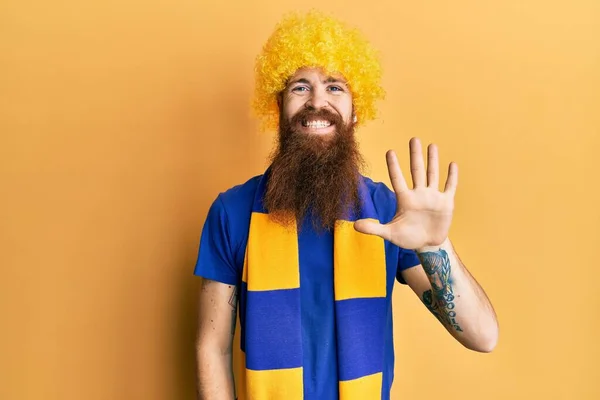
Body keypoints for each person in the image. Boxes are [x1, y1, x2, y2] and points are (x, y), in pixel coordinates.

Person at [193, 10, 498, 400]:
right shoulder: (232, 212)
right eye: (300, 87)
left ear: (355, 112)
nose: (317, 102)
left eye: (335, 87)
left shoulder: (389, 213)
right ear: (279, 108)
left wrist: (434, 246)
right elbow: (212, 347)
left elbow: (483, 336)